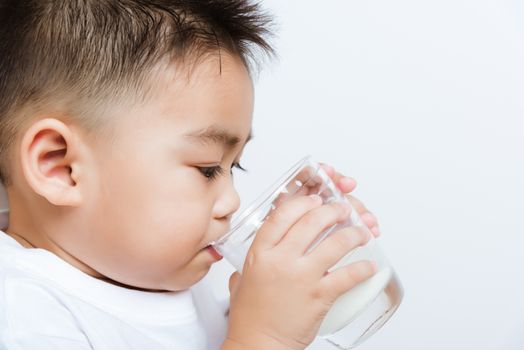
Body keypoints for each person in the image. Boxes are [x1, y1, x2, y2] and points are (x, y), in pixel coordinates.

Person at [0, 1, 381, 349]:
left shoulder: (154, 272)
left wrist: (282, 282)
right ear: (60, 166)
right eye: (207, 168)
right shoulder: (24, 316)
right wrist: (266, 337)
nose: (232, 201)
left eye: (235, 167)